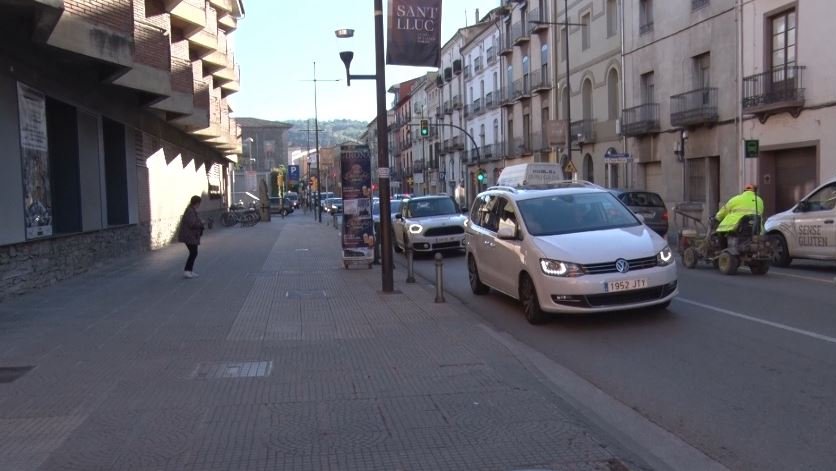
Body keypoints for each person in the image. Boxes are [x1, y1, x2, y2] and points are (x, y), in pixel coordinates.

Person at [178, 195, 204, 279]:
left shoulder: (191, 210)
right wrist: (201, 223)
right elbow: (192, 224)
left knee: (193, 253)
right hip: (189, 235)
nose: (199, 205)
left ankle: (189, 271)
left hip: (190, 235)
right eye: (199, 203)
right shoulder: (190, 211)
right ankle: (187, 271)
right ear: (196, 203)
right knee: (193, 253)